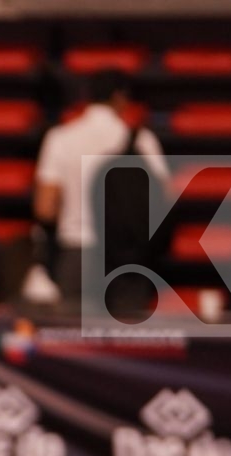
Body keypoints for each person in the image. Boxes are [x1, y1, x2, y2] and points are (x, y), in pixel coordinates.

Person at [33, 69, 168, 302]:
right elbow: (164, 201)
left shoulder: (60, 138)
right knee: (127, 337)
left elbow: (45, 208)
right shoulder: (142, 140)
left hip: (77, 253)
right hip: (127, 259)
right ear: (120, 98)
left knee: (74, 337)